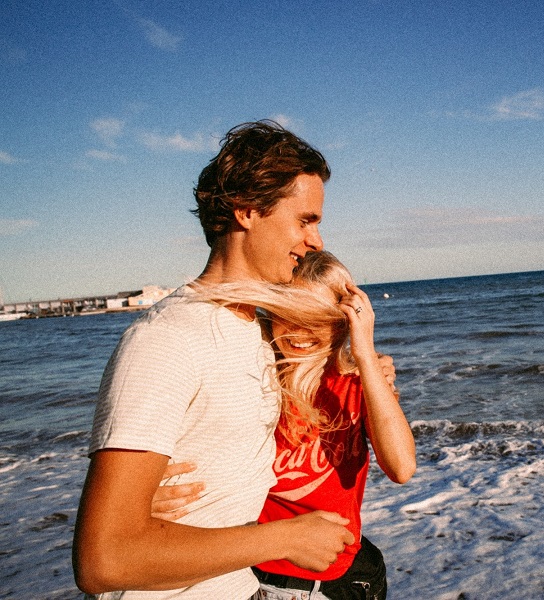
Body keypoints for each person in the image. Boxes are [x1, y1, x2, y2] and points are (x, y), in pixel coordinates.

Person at [72, 120, 355, 599]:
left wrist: (363, 364)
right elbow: (105, 559)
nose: (317, 241)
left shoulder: (261, 329)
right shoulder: (165, 340)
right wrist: (287, 537)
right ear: (247, 211)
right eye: (305, 220)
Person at [153, 251, 416, 600]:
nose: (300, 331)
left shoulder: (359, 384)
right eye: (288, 313)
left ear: (343, 320)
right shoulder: (252, 382)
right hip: (264, 578)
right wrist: (143, 500)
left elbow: (401, 467)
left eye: (316, 317)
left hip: (352, 578)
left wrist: (366, 353)